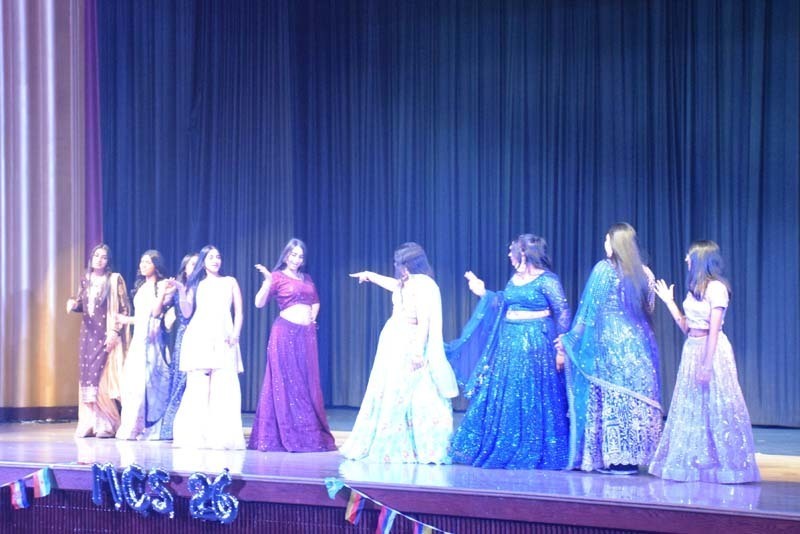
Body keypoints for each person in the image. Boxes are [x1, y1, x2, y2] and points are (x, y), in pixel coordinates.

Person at [446, 235, 571, 469]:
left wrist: (561, 348)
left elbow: (562, 311)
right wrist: (484, 293)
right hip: (510, 346)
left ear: (524, 252)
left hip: (537, 346)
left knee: (534, 396)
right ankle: (505, 443)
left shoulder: (548, 280)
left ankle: (533, 445)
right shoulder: (514, 279)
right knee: (510, 395)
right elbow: (503, 304)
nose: (509, 255)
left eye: (512, 250)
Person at [649, 241, 760, 483]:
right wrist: (669, 302)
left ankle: (728, 465)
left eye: (689, 256)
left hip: (713, 351)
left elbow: (714, 329)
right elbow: (688, 327)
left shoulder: (717, 288)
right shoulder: (694, 289)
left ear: (700, 258)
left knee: (719, 404)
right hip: (692, 348)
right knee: (692, 406)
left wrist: (707, 364)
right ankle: (699, 463)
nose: (686, 260)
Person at [557, 223, 662, 473]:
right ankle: (631, 461)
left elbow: (588, 313)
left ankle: (615, 461)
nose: (605, 246)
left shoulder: (604, 270)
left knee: (615, 403)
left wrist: (569, 339)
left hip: (610, 350)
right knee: (632, 405)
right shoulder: (645, 273)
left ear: (616, 244)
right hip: (639, 350)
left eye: (607, 241)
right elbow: (650, 308)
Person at [341, 242, 459, 463]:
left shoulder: (424, 285)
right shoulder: (407, 282)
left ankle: (420, 447)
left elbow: (424, 321)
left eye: (400, 264)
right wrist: (369, 275)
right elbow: (392, 284)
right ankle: (394, 444)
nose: (397, 267)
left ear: (411, 264)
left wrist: (417, 352)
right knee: (391, 392)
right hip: (394, 342)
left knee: (417, 394)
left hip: (410, 343)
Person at [248, 239, 336, 452]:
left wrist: (312, 318)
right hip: (284, 334)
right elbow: (259, 303)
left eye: (300, 256)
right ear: (285, 255)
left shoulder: (306, 278)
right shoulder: (277, 277)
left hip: (305, 337)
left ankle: (307, 432)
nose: (296, 259)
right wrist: (268, 281)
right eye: (292, 255)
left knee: (305, 384)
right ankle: (288, 433)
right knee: (287, 384)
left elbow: (315, 301)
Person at [172, 245, 245, 449]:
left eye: (218, 257)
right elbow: (187, 313)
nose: (215, 260)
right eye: (211, 257)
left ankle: (221, 438)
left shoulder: (230, 282)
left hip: (224, 337)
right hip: (199, 337)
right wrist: (180, 290)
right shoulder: (196, 284)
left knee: (224, 387)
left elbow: (238, 312)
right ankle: (196, 436)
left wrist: (236, 333)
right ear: (203, 261)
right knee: (198, 388)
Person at [66, 244, 129, 438]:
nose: (99, 259)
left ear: (108, 261)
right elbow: (82, 305)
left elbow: (124, 309)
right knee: (88, 376)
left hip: (105, 333)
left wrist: (115, 332)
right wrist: (73, 304)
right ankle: (88, 422)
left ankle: (106, 423)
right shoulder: (85, 280)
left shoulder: (114, 279)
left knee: (101, 377)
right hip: (88, 335)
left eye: (103, 257)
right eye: (96, 255)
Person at [116, 250, 172, 440]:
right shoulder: (140, 287)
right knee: (133, 384)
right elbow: (141, 318)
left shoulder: (163, 285)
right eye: (141, 262)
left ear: (156, 265)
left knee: (150, 384)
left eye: (147, 262)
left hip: (153, 341)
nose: (143, 265)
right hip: (139, 339)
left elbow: (156, 313)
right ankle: (133, 426)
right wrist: (125, 320)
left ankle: (151, 429)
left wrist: (163, 290)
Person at [144, 253, 198, 440]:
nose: (196, 266)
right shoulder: (177, 287)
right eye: (192, 264)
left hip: (203, 334)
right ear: (184, 268)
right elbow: (156, 311)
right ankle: (171, 428)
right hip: (184, 336)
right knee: (180, 380)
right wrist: (166, 290)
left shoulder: (203, 286)